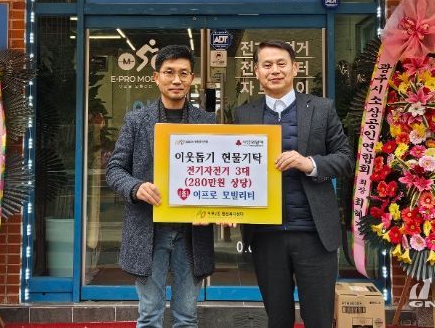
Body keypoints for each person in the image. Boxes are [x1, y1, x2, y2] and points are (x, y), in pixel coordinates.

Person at [234, 40, 354, 328]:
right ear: (256, 72)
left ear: (295, 68)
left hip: (314, 233)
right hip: (266, 235)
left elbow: (346, 159)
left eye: (281, 63)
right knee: (277, 318)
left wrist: (309, 163)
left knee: (319, 319)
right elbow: (235, 167)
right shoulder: (244, 114)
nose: (274, 70)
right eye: (267, 65)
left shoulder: (322, 108)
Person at [106, 45, 215, 328]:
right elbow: (114, 169)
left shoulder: (208, 122)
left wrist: (221, 207)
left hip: (192, 232)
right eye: (169, 72)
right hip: (149, 229)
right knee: (149, 314)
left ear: (192, 78)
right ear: (156, 77)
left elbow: (218, 174)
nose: (176, 80)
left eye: (183, 73)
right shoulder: (136, 120)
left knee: (187, 316)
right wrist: (136, 187)